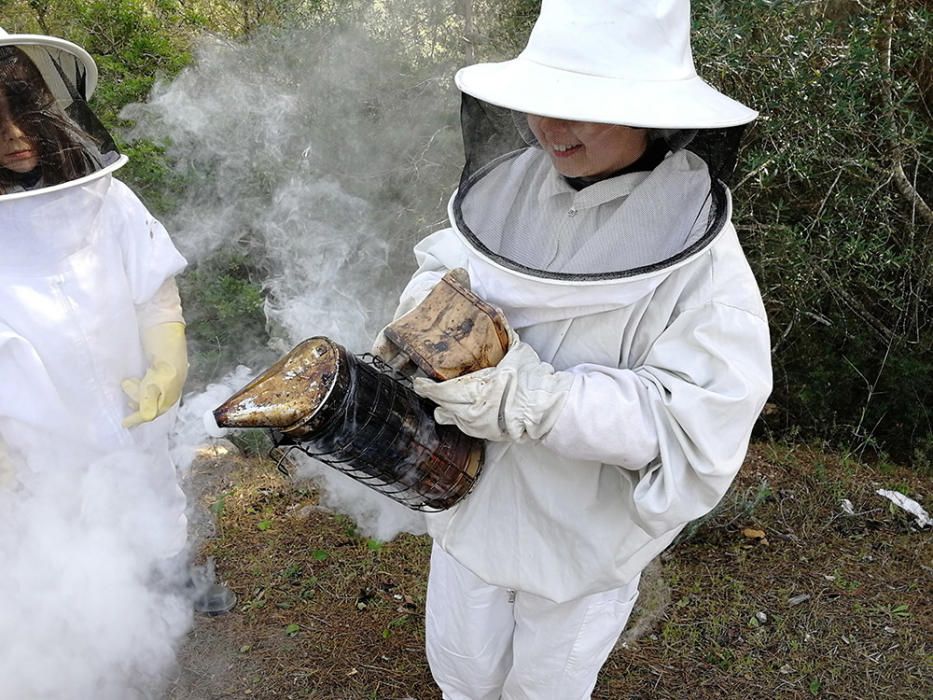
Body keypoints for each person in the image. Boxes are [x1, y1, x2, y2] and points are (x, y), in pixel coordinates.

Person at [373, 1, 773, 698]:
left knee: (544, 688)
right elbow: (445, 263)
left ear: (651, 113)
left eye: (579, 108)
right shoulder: (512, 185)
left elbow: (690, 422)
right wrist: (423, 313)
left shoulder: (705, 267)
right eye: (540, 103)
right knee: (461, 675)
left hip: (583, 534)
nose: (547, 129)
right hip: (469, 498)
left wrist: (533, 398)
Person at [0, 29, 231, 614]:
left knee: (151, 485)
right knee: (51, 515)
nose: (16, 138)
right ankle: (84, 620)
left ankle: (172, 577)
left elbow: (153, 286)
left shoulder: (108, 199)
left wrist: (167, 358)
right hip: (33, 419)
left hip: (129, 393)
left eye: (21, 115)